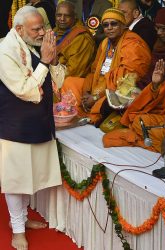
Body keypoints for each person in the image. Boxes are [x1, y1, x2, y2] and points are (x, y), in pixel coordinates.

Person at [0, 6, 65, 250]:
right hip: (14, 125)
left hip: (38, 121)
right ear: (19, 29)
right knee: (16, 179)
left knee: (30, 176)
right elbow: (25, 89)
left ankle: (22, 220)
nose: (42, 32)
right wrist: (46, 60)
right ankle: (17, 230)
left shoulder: (31, 43)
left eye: (43, 27)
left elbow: (57, 81)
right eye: (36, 28)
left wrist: (53, 59)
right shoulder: (4, 51)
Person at [62, 8, 151, 123]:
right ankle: (79, 114)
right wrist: (87, 91)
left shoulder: (132, 44)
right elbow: (93, 70)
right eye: (105, 25)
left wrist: (96, 96)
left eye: (113, 24)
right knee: (70, 82)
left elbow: (126, 80)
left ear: (123, 25)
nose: (109, 28)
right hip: (98, 84)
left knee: (105, 102)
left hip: (118, 91)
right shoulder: (105, 43)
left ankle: (91, 117)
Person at [54, 1, 95, 77]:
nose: (62, 19)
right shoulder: (55, 31)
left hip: (68, 81)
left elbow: (73, 72)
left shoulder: (82, 38)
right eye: (59, 15)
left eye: (67, 16)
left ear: (74, 17)